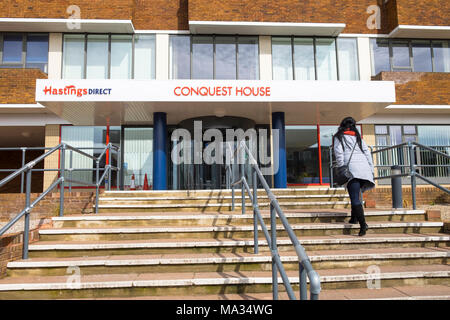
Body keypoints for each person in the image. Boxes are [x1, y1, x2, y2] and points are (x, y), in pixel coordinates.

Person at [333, 117, 375, 236]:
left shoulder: (339, 137)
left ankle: (363, 225)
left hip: (352, 170)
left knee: (354, 197)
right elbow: (367, 152)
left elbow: (338, 153)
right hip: (364, 169)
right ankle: (354, 218)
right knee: (355, 193)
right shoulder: (358, 137)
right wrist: (371, 169)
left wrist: (342, 167)